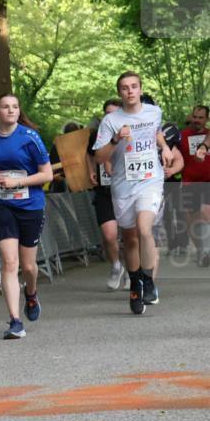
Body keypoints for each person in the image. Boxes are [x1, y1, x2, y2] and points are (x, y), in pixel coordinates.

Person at [0, 94, 53, 339]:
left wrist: (19, 181)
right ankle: (15, 321)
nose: (11, 110)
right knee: (9, 263)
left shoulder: (29, 137)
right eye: (5, 107)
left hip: (30, 205)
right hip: (1, 205)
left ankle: (32, 292)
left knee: (28, 266)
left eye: (15, 107)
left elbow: (46, 174)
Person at [92, 72, 175, 314]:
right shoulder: (111, 121)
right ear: (120, 93)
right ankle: (135, 282)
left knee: (144, 228)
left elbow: (155, 131)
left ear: (140, 89)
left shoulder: (153, 111)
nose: (130, 91)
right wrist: (117, 139)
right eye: (125, 88)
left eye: (134, 87)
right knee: (130, 239)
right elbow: (99, 156)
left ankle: (148, 281)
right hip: (123, 184)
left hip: (150, 180)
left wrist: (165, 147)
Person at [88, 99, 126, 290]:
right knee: (110, 235)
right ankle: (116, 265)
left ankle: (131, 270)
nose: (111, 117)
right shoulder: (97, 134)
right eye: (107, 113)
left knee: (130, 236)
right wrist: (91, 170)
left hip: (127, 190)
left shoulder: (130, 132)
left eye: (115, 113)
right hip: (105, 192)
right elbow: (90, 154)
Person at [179, 104, 209, 266]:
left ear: (206, 119)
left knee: (205, 214)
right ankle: (201, 251)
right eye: (195, 117)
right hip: (189, 183)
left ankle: (207, 251)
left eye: (200, 118)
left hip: (208, 181)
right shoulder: (182, 136)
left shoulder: (209, 135)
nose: (197, 120)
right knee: (191, 221)